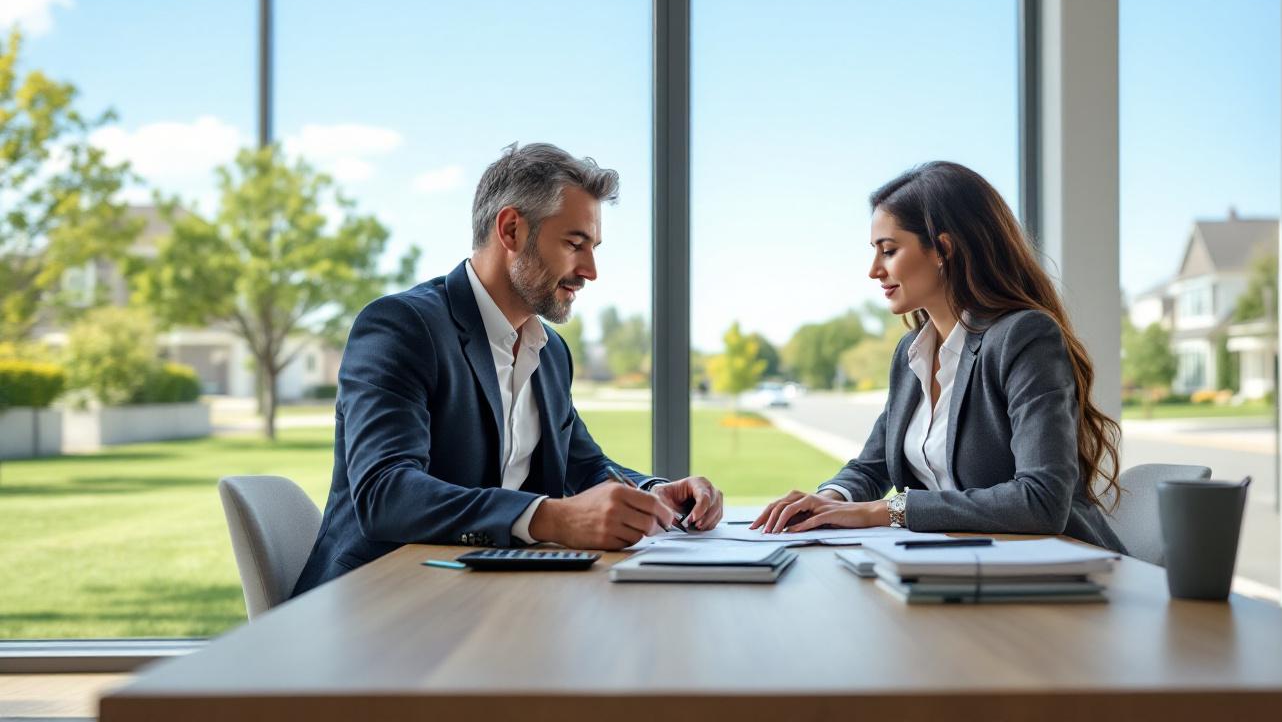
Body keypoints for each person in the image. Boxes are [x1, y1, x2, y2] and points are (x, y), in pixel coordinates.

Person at [293, 143, 724, 595]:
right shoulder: (402, 328)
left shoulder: (550, 352)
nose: (591, 271)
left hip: (487, 596)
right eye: (575, 244)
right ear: (512, 229)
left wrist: (652, 493)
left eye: (593, 248)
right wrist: (551, 517)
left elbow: (586, 467)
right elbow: (386, 494)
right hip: (375, 604)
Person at [750, 161, 1126, 553]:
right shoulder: (911, 354)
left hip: (1064, 573)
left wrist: (886, 510)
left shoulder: (1023, 337)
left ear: (943, 249)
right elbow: (873, 465)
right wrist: (832, 499)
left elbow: (1040, 501)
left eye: (889, 251)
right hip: (964, 567)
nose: (874, 271)